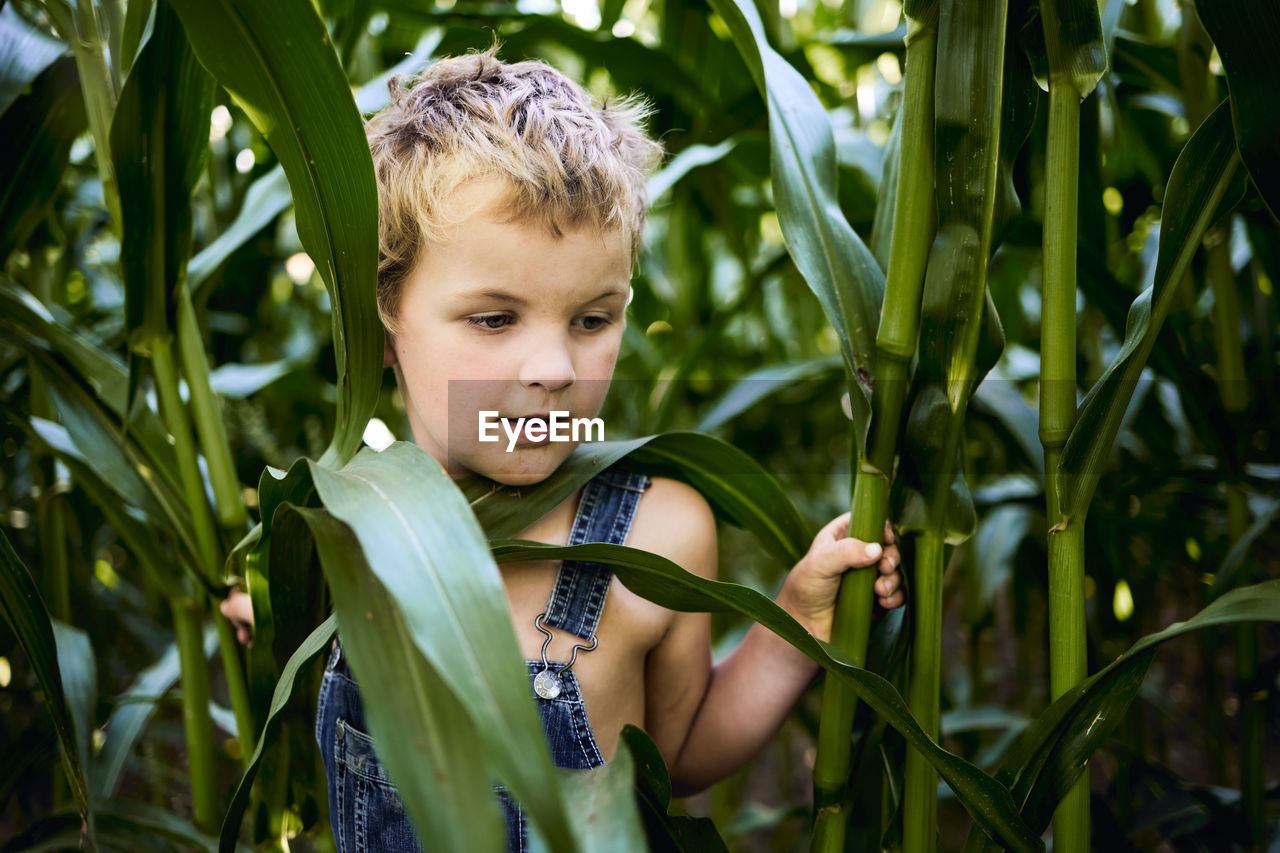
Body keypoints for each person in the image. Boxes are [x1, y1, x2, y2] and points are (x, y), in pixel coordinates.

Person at [221, 39, 904, 852]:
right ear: (382, 324)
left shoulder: (658, 533)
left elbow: (681, 756)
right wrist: (275, 615)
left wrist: (798, 616)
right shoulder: (333, 531)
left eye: (591, 319)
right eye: (494, 318)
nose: (552, 369)